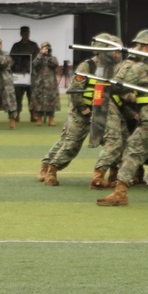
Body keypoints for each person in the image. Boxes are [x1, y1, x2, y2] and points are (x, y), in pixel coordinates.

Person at [95, 29, 148, 206]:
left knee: (132, 153)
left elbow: (119, 86)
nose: (134, 48)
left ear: (145, 47)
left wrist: (111, 81)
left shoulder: (144, 66)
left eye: (137, 45)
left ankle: (120, 193)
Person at [41, 34, 118, 185]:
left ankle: (113, 174)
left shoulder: (114, 68)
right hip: (81, 111)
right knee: (71, 142)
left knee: (115, 141)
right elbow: (75, 90)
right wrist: (83, 109)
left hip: (102, 111)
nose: (114, 53)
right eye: (110, 48)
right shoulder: (87, 66)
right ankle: (50, 169)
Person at [9, 25, 38, 125]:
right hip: (19, 75)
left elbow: (37, 59)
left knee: (32, 95)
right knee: (18, 95)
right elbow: (11, 58)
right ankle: (17, 114)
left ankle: (33, 114)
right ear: (21, 34)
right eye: (24, 33)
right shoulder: (16, 46)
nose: (26, 35)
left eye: (27, 33)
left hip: (30, 74)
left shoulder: (34, 45)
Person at [28, 41, 61, 125]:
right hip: (40, 84)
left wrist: (48, 55)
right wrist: (41, 55)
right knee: (39, 100)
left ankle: (51, 118)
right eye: (44, 48)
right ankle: (39, 118)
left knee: (51, 100)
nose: (46, 49)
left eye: (47, 48)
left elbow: (55, 64)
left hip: (50, 84)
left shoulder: (52, 58)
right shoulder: (38, 58)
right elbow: (35, 64)